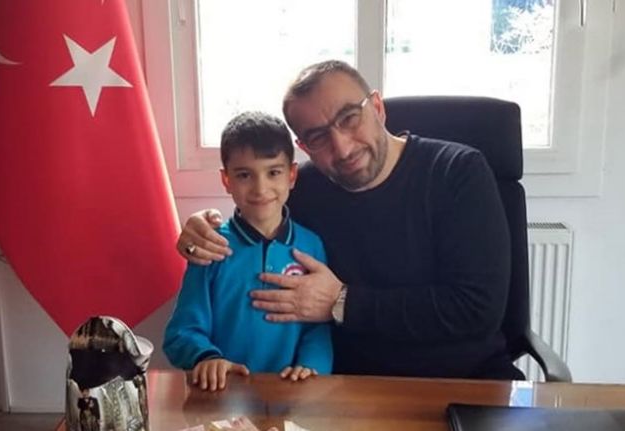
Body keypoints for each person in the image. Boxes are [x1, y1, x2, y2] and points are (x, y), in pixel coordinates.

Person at [176, 60, 524, 380]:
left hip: (463, 379)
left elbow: (477, 310)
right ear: (304, 147)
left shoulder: (457, 172)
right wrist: (198, 230)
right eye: (318, 137)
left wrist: (342, 302)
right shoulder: (306, 188)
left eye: (349, 118)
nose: (341, 148)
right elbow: (254, 210)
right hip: (350, 386)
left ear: (377, 107)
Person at [163, 112, 333, 391]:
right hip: (223, 393)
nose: (260, 188)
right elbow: (181, 332)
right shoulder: (210, 246)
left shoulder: (312, 245)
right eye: (244, 175)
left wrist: (312, 365)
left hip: (293, 393)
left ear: (291, 175)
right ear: (226, 180)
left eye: (273, 172)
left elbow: (319, 324)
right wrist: (206, 358)